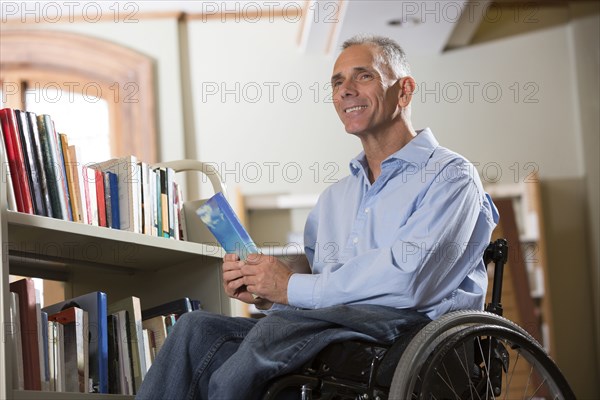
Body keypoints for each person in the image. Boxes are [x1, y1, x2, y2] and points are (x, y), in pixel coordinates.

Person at [136, 35, 498, 400]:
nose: (345, 91)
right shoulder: (334, 198)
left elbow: (411, 282)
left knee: (273, 332)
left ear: (404, 91)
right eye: (337, 82)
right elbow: (317, 280)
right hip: (331, 326)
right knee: (195, 330)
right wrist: (264, 286)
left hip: (413, 329)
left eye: (363, 76)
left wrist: (288, 288)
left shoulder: (451, 176)